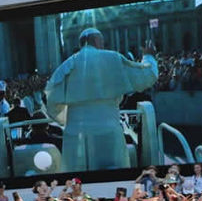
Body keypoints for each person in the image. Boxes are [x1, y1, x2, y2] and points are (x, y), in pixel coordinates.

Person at [45, 28, 158, 172]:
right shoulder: (112, 58)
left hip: (75, 135)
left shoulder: (65, 66)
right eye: (102, 42)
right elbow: (147, 76)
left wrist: (67, 120)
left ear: (81, 44)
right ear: (97, 40)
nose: (103, 46)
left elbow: (52, 103)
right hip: (108, 132)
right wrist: (149, 57)